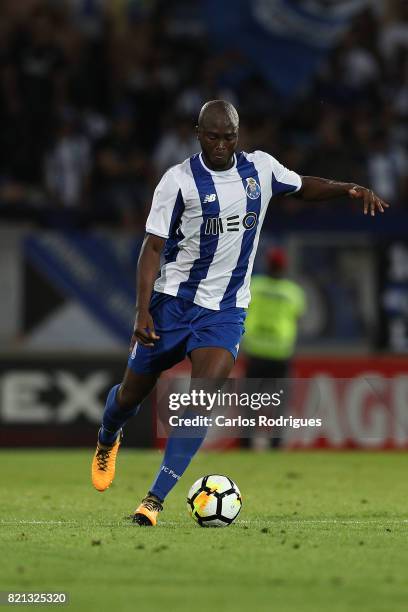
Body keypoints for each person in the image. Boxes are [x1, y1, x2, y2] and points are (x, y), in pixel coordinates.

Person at [91, 99, 388, 527]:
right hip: (172, 303)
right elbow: (151, 249)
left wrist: (348, 188)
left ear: (238, 134)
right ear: (198, 134)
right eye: (213, 136)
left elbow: (303, 184)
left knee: (200, 401)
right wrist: (142, 312)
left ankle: (153, 500)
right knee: (129, 396)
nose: (221, 144)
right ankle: (107, 437)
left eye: (229, 136)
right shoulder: (177, 182)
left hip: (225, 312)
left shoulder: (261, 169)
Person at [244, 247, 306, 449]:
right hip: (280, 352)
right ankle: (276, 443)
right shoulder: (293, 292)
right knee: (279, 403)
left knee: (250, 401)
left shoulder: (254, 286)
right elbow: (298, 316)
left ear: (267, 264)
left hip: (256, 350)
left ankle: (246, 443)